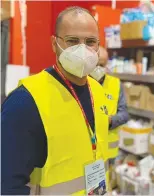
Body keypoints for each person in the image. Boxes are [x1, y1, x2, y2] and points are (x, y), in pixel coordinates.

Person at [1, 6, 109, 195]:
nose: (82, 50)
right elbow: (8, 183)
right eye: (72, 41)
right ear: (54, 44)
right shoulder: (25, 101)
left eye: (90, 42)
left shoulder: (98, 92)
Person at [90, 46, 129, 162]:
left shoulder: (115, 84)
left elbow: (124, 114)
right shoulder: (81, 84)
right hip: (88, 150)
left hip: (109, 151)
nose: (97, 69)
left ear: (107, 65)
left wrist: (110, 121)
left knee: (108, 179)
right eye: (95, 65)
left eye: (101, 65)